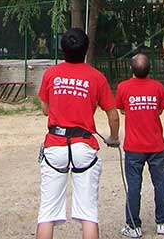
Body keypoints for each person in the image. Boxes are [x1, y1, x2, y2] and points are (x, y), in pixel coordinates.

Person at [36, 28, 119, 239]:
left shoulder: (51, 74)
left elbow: (45, 109)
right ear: (85, 49)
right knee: (88, 213)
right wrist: (113, 137)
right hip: (83, 145)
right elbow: (113, 114)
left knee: (47, 213)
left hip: (55, 144)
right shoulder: (96, 77)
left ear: (63, 49)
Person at [114, 53, 164, 238]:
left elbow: (122, 109)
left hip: (134, 147)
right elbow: (161, 109)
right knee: (160, 184)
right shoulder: (157, 87)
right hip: (156, 145)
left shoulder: (123, 87)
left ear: (131, 69)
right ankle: (163, 223)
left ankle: (133, 226)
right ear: (150, 69)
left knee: (134, 187)